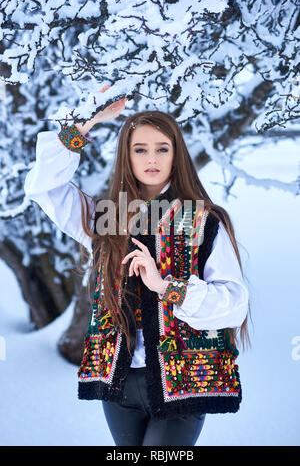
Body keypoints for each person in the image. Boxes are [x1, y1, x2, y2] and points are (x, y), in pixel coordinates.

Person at [24, 85, 250, 446]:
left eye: (162, 148)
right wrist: (84, 123)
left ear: (176, 155)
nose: (152, 158)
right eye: (140, 149)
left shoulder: (203, 221)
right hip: (122, 382)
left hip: (184, 378)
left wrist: (167, 286)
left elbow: (234, 303)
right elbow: (45, 188)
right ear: (126, 157)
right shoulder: (105, 219)